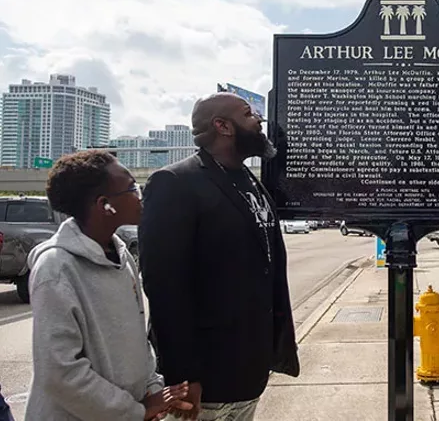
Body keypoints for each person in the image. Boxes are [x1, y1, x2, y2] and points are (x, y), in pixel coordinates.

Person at [140, 93, 298, 421]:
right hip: (206, 383)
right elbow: (165, 288)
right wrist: (183, 376)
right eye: (248, 113)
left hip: (249, 372)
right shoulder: (175, 183)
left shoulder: (251, 182)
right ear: (223, 126)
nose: (259, 120)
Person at [25, 151, 192, 421]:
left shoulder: (122, 256)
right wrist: (135, 410)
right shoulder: (56, 268)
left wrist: (153, 388)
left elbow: (136, 338)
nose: (140, 195)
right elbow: (59, 373)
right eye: (131, 188)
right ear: (105, 204)